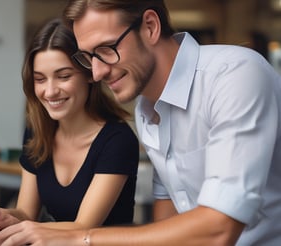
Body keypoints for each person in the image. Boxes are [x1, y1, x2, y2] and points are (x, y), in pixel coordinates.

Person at [19, 1, 281, 245]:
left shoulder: (233, 76)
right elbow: (167, 222)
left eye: (106, 50)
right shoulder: (147, 110)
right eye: (89, 57)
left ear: (150, 27)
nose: (96, 73)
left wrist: (82, 238)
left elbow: (220, 227)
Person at [0, 18, 139, 245]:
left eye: (63, 76)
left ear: (89, 73)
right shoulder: (37, 131)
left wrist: (25, 227)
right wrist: (6, 218)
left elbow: (83, 227)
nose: (50, 91)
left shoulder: (117, 140)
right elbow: (27, 213)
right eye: (40, 79)